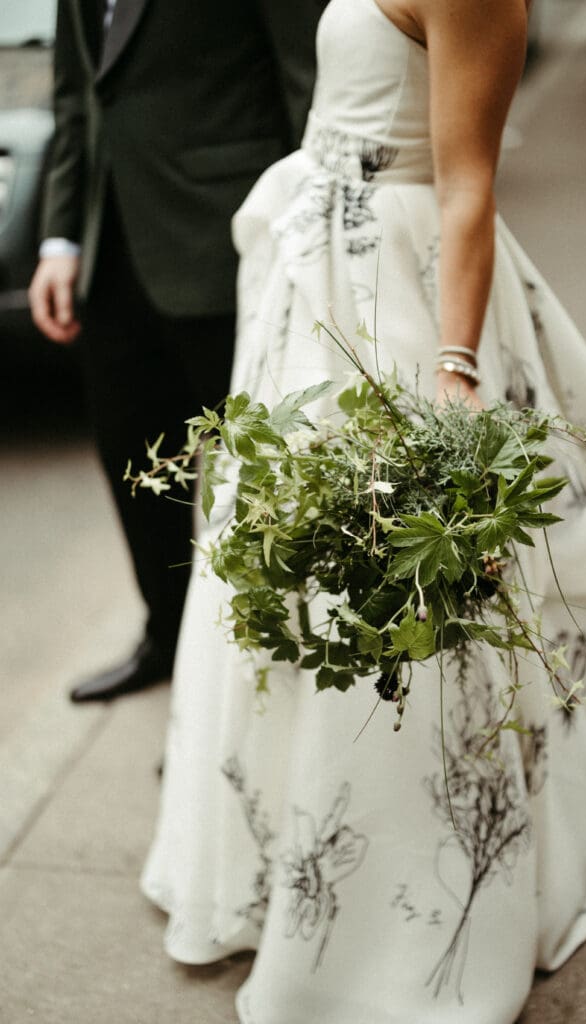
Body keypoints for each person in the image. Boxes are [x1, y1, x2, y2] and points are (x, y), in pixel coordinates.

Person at [143, 1, 586, 1021]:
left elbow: (466, 182)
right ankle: (280, 846)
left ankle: (397, 903)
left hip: (393, 299)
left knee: (395, 584)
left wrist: (451, 365)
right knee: (285, 564)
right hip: (313, 280)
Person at [28, 0, 325, 702]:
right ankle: (168, 642)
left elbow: (307, 84)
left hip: (229, 248)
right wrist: (60, 239)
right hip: (111, 254)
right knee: (133, 461)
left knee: (256, 483)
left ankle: (253, 684)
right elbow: (79, 94)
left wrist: (303, 249)